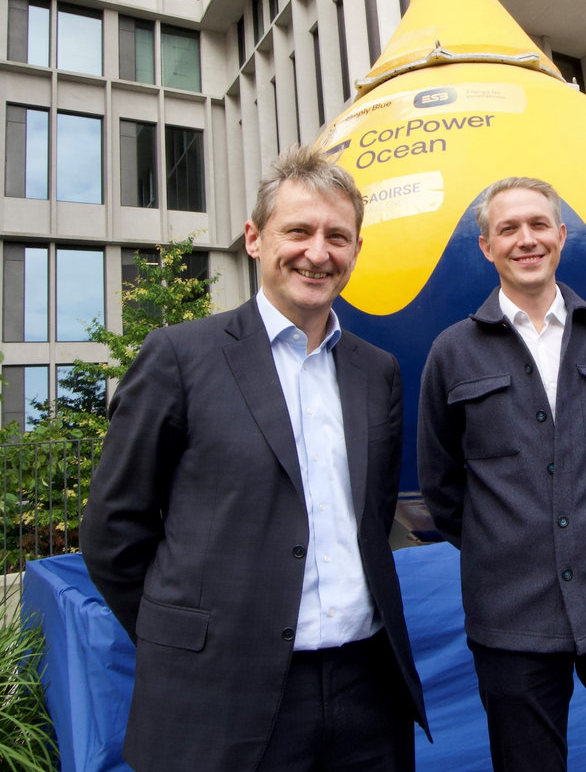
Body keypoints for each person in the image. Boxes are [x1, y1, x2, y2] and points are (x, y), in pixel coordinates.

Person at [81, 145, 427, 772]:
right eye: (298, 230)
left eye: (337, 236)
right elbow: (113, 532)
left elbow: (371, 520)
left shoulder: (377, 373)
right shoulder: (179, 357)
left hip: (367, 691)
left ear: (354, 250)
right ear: (254, 239)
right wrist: (188, 640)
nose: (317, 252)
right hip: (221, 699)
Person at [417, 177, 586, 772]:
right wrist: (505, 541)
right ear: (486, 246)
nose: (525, 239)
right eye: (508, 228)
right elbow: (443, 486)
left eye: (538, 225)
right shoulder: (451, 353)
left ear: (561, 236)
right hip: (511, 620)